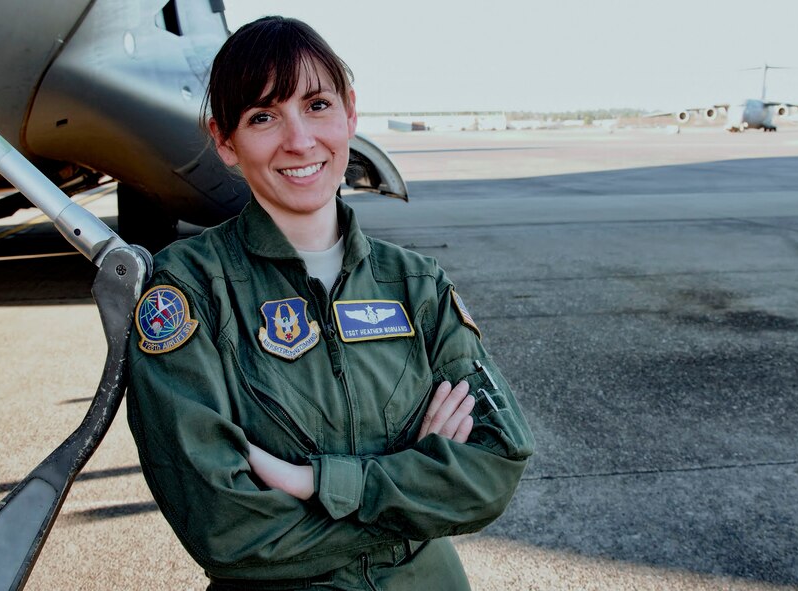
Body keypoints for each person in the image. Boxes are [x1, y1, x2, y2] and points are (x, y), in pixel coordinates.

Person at [126, 15, 534, 590]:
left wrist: (320, 483)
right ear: (224, 141)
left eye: (317, 105)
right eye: (263, 117)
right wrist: (418, 491)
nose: (298, 139)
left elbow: (495, 464)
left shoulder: (415, 283)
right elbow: (226, 528)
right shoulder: (190, 291)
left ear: (350, 114)